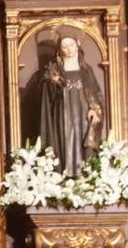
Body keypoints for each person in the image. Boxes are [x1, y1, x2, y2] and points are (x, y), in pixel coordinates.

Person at [38, 35, 106, 176]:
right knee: (65, 142)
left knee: (83, 143)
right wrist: (53, 82)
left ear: (77, 45)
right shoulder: (54, 69)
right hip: (63, 114)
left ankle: (84, 175)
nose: (68, 49)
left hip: (83, 115)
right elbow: (47, 94)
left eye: (71, 45)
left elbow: (95, 92)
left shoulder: (86, 69)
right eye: (65, 46)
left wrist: (94, 109)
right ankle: (66, 173)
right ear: (60, 50)